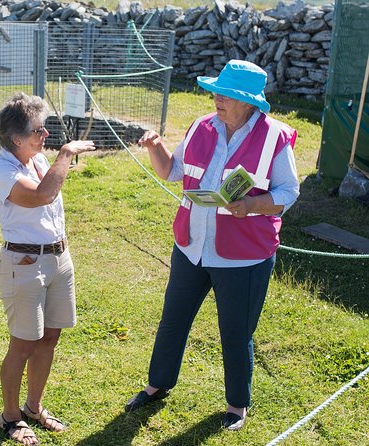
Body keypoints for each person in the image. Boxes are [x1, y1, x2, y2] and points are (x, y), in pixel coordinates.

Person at [124, 60, 299, 431]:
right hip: (192, 246)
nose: (217, 98)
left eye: (227, 94)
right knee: (172, 321)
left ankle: (237, 405)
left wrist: (251, 204)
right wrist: (156, 145)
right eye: (217, 91)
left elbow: (289, 191)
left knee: (236, 332)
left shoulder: (275, 137)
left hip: (244, 257)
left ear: (249, 102)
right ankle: (157, 386)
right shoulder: (202, 126)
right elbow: (173, 171)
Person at [0, 92, 95, 445]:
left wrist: (54, 158)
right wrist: (66, 154)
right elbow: (42, 196)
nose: (45, 135)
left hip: (59, 260)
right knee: (23, 343)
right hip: (26, 264)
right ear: (16, 139)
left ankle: (34, 407)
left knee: (50, 337)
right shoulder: (2, 171)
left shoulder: (34, 159)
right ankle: (11, 416)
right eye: (38, 130)